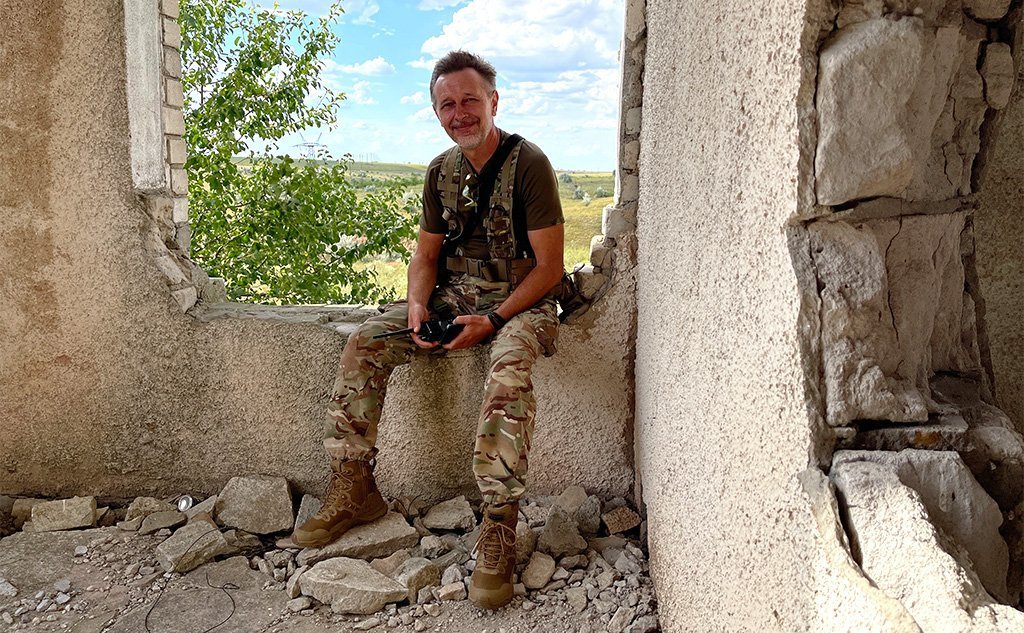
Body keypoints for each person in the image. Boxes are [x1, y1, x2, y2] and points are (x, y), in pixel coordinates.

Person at [292, 50, 565, 610]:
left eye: (469, 100)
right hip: (454, 296)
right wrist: (418, 306)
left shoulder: (528, 164)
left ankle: (498, 523)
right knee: (366, 339)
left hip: (520, 303)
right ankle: (355, 484)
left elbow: (550, 268)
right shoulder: (441, 172)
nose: (459, 112)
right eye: (447, 104)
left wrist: (493, 319)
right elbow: (425, 256)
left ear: (493, 101)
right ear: (436, 112)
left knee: (508, 371)